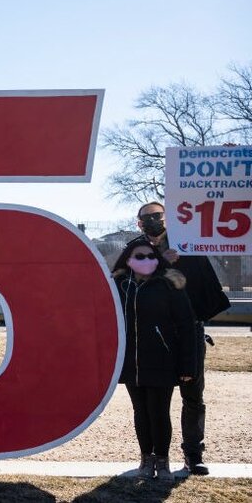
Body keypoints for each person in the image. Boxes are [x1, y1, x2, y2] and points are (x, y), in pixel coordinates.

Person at [134, 202, 231, 475]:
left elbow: (204, 286)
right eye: (147, 217)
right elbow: (131, 282)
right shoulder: (136, 249)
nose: (153, 220)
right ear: (139, 222)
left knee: (193, 395)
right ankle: (155, 455)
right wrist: (163, 261)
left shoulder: (189, 244)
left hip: (189, 332)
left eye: (157, 215)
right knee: (154, 400)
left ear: (166, 218)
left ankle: (193, 454)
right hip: (154, 337)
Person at [113, 238, 196, 481]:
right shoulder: (119, 285)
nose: (145, 261)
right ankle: (145, 459)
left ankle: (162, 460)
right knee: (141, 412)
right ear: (128, 260)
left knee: (159, 412)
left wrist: (187, 365)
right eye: (139, 256)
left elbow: (186, 326)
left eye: (150, 256)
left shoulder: (169, 285)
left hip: (162, 359)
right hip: (131, 362)